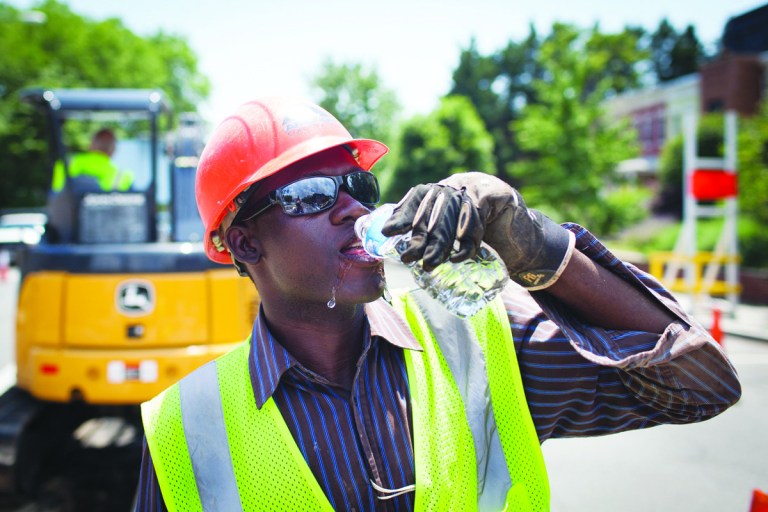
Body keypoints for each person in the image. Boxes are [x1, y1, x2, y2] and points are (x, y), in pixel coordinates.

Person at [135, 97, 740, 512]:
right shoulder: (186, 429)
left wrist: (537, 246)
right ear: (244, 242)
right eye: (314, 193)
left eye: (358, 187)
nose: (353, 209)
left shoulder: (480, 340)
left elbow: (701, 385)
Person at [51, 128, 133, 192]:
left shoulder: (67, 163)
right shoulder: (124, 176)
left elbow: (55, 194)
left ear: (91, 144)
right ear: (113, 149)